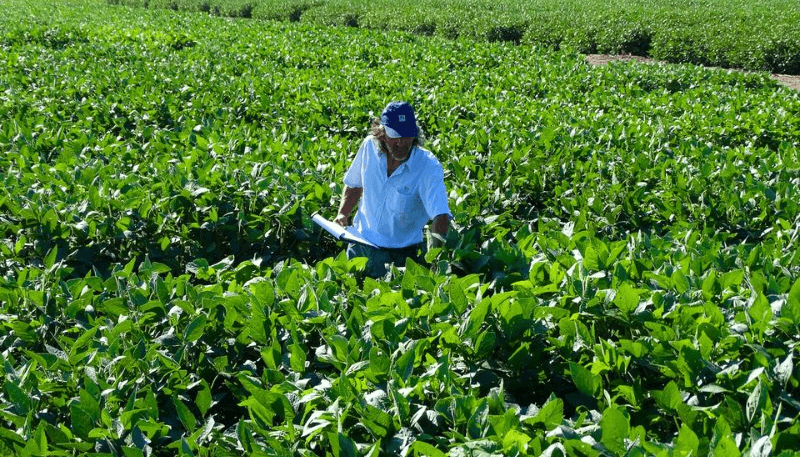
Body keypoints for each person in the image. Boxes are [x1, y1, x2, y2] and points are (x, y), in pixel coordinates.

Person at [334, 101, 451, 278]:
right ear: (382, 133)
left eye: (407, 135)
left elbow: (441, 215)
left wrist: (435, 261)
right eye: (395, 136)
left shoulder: (427, 165)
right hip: (359, 246)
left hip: (400, 258)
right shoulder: (369, 147)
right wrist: (343, 213)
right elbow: (354, 184)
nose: (402, 143)